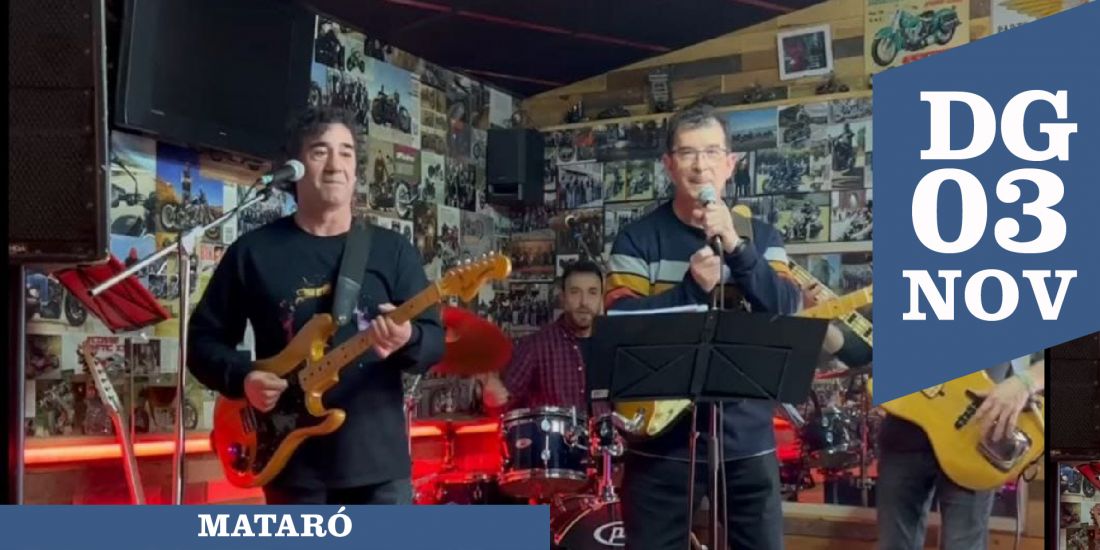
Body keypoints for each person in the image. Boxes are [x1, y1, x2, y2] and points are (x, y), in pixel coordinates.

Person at [187, 106, 444, 505]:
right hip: (290, 466)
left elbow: (434, 342)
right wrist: (245, 379)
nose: (335, 165)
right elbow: (203, 342)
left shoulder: (392, 251)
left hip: (378, 470)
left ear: (356, 171)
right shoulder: (253, 252)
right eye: (320, 151)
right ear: (295, 168)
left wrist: (408, 338)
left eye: (346, 153)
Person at [604, 102, 801, 550]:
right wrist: (692, 289)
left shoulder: (763, 237)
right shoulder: (637, 239)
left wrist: (737, 246)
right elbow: (620, 323)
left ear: (731, 163)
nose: (700, 165)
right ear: (668, 165)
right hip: (659, 439)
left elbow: (786, 309)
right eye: (687, 153)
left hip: (747, 439)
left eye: (712, 152)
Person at [876, 355, 1045, 550]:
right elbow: (860, 352)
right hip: (903, 437)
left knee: (963, 544)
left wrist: (1024, 382)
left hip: (973, 442)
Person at [481, 260, 604, 415]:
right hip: (553, 431)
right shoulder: (535, 346)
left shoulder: (613, 343)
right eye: (575, 292)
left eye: (592, 292)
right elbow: (503, 406)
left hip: (605, 431)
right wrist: (492, 399)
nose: (584, 302)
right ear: (563, 298)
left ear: (601, 298)